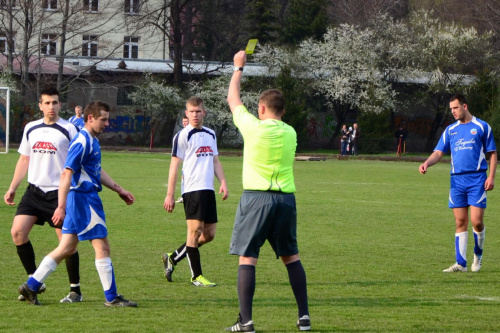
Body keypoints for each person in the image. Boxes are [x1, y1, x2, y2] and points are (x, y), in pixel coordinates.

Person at [18, 101, 138, 307]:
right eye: (103, 119)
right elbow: (66, 173)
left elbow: (96, 171)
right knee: (103, 246)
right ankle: (112, 297)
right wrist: (61, 207)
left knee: (66, 247)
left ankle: (30, 286)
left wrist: (119, 189)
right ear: (90, 118)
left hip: (80, 198)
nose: (107, 124)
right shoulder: (82, 141)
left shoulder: (91, 140)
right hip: (84, 199)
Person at [225, 51, 310, 332]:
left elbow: (233, 100)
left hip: (256, 199)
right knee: (291, 257)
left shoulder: (254, 128)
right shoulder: (292, 133)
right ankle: (304, 317)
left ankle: (246, 322)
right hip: (286, 200)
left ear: (261, 109)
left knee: (248, 257)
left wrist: (239, 68)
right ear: (283, 111)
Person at [4, 86, 83, 303]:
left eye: (55, 102)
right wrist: (12, 187)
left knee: (66, 244)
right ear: (40, 105)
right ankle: (34, 282)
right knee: (18, 233)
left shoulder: (70, 129)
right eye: (47, 103)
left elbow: (78, 162)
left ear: (60, 104)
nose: (51, 106)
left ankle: (75, 290)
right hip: (34, 191)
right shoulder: (31, 128)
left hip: (59, 194)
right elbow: (24, 159)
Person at [419, 94, 497, 273]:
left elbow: (492, 153)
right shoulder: (450, 130)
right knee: (460, 221)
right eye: (451, 109)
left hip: (477, 179)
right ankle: (460, 264)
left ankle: (478, 255)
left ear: (465, 106)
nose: (453, 112)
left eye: (455, 108)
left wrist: (491, 177)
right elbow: (439, 152)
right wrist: (426, 163)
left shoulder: (481, 127)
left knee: (476, 221)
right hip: (456, 181)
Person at [162, 96, 228, 287]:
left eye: (198, 111)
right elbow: (174, 166)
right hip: (192, 189)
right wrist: (170, 194)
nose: (195, 115)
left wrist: (222, 182)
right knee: (194, 232)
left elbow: (215, 161)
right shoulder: (182, 136)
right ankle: (196, 276)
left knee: (209, 234)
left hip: (208, 189)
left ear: (204, 113)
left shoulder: (211, 134)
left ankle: (172, 258)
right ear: (186, 113)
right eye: (191, 111)